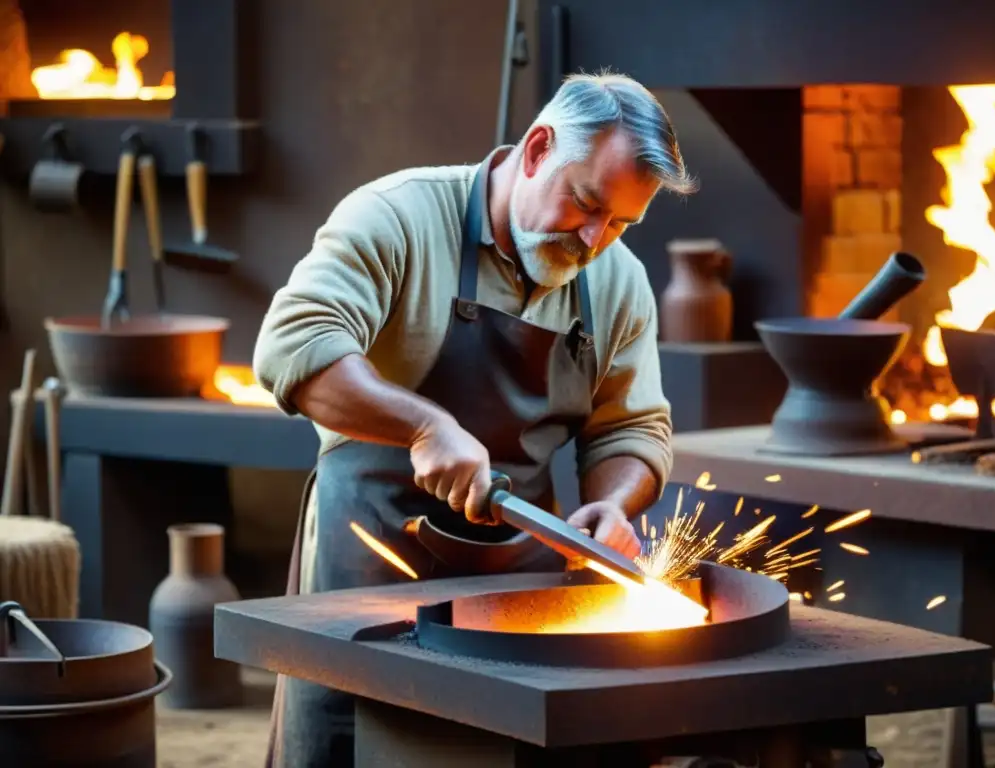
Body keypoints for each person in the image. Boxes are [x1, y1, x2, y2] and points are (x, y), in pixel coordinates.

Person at [253, 71, 696, 767]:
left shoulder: (617, 280)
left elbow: (631, 429)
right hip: (368, 568)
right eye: (584, 203)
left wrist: (613, 505)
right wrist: (426, 427)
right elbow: (295, 346)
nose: (592, 238)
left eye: (619, 223)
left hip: (516, 586)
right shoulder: (397, 216)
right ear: (538, 147)